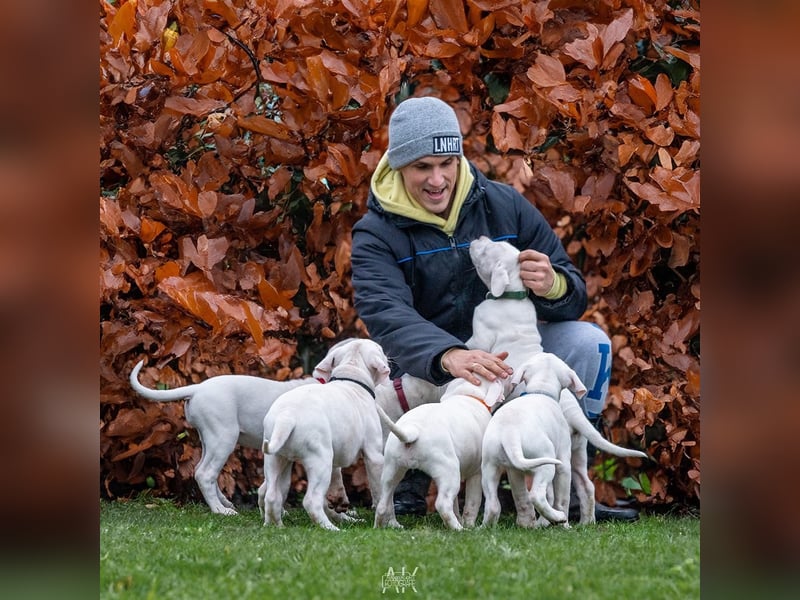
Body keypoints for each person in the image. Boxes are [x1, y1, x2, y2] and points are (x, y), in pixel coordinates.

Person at [350, 96, 638, 522]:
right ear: (398, 166)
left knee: (589, 343)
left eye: (446, 163)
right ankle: (409, 482)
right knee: (380, 373)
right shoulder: (375, 232)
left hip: (508, 356)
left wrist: (552, 283)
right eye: (422, 167)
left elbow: (573, 292)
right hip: (429, 366)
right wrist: (448, 356)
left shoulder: (503, 203)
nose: (437, 179)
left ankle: (570, 486)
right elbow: (385, 312)